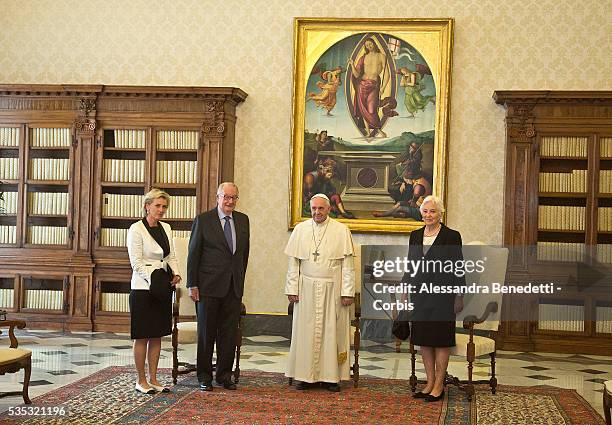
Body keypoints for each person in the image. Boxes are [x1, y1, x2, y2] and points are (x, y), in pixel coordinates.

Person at [285, 193, 355, 392]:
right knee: (305, 333)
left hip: (333, 289)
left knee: (333, 332)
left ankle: (332, 377)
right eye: (314, 209)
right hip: (306, 288)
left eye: (321, 208)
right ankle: (305, 376)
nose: (317, 212)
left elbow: (348, 265)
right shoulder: (300, 229)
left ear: (329, 209)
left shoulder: (341, 230)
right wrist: (292, 288)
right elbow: (293, 264)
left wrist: (347, 291)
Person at [187, 182, 250, 392]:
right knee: (206, 334)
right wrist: (192, 284)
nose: (230, 201)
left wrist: (239, 279)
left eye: (234, 197)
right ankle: (204, 376)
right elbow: (193, 254)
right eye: (226, 197)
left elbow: (243, 255)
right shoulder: (204, 220)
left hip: (232, 287)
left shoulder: (243, 220)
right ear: (218, 197)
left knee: (228, 334)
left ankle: (224, 375)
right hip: (207, 287)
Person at [402, 195, 465, 402]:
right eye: (425, 212)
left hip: (443, 297)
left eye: (433, 211)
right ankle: (429, 383)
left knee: (440, 340)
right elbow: (410, 266)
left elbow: (458, 268)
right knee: (424, 340)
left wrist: (459, 296)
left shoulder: (451, 236)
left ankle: (439, 385)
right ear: (421, 214)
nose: (429, 215)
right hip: (419, 296)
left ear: (440, 213)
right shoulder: (415, 235)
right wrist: (404, 291)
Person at [127, 188, 181, 394]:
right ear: (147, 206)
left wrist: (176, 274)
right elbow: (136, 263)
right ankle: (141, 380)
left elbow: (170, 256)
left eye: (164, 206)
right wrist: (155, 278)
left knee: (157, 335)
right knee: (142, 336)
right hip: (143, 288)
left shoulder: (166, 228)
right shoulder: (136, 229)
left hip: (163, 287)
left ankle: (154, 379)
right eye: (157, 205)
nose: (161, 210)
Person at [348, 37, 393, 138]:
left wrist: (383, 88)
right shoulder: (363, 58)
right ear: (365, 47)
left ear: (374, 43)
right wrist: (352, 65)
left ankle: (379, 131)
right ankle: (368, 132)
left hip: (374, 86)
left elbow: (387, 75)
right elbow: (356, 75)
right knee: (363, 109)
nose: (369, 46)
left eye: (370, 44)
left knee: (371, 109)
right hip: (362, 85)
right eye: (367, 45)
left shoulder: (381, 56)